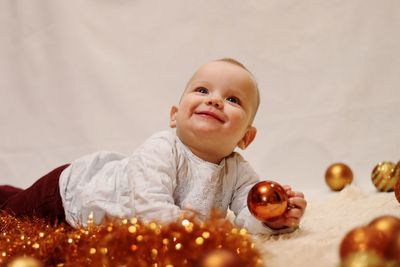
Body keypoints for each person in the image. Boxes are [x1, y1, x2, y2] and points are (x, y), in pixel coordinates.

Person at [0, 58, 307, 235]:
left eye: (232, 99)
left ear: (245, 137)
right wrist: (196, 231)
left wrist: (274, 219)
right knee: (11, 216)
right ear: (175, 116)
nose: (214, 99)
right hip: (67, 196)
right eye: (202, 90)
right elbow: (148, 205)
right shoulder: (162, 147)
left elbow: (247, 214)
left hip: (94, 218)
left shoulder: (238, 170)